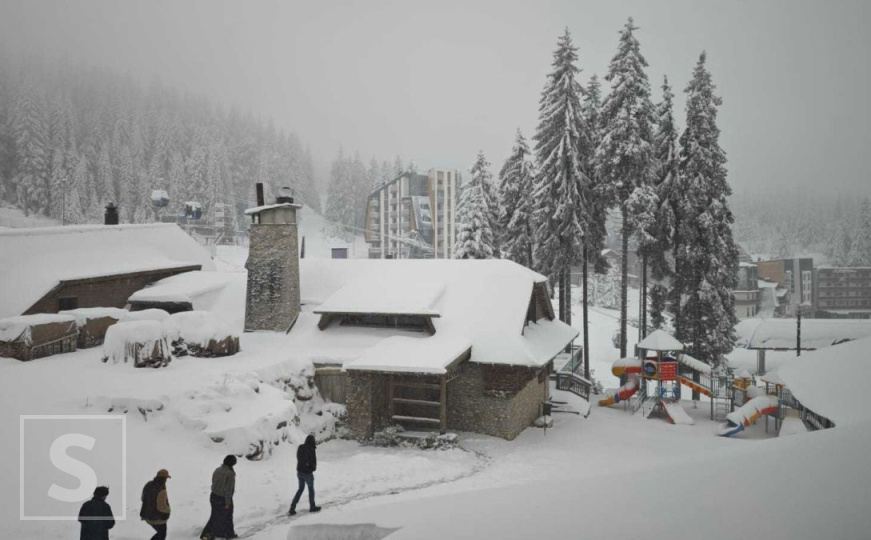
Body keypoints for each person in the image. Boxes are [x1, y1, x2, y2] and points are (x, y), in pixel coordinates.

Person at [201, 455, 238, 540]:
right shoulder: (230, 474)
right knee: (227, 516)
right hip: (223, 498)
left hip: (213, 495)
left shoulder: (217, 470)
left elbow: (213, 482)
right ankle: (224, 534)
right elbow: (228, 489)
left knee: (215, 515)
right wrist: (228, 502)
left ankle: (211, 534)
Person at [288, 434, 321, 515]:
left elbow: (298, 458)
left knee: (300, 489)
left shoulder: (300, 447)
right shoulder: (311, 449)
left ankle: (292, 507)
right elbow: (313, 461)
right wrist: (312, 468)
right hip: (307, 473)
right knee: (311, 489)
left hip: (299, 472)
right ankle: (312, 507)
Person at [140, 469, 171, 540]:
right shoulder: (162, 489)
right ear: (164, 478)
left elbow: (142, 498)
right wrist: (168, 511)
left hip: (146, 515)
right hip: (157, 518)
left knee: (160, 534)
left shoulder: (148, 484)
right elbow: (161, 506)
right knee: (162, 535)